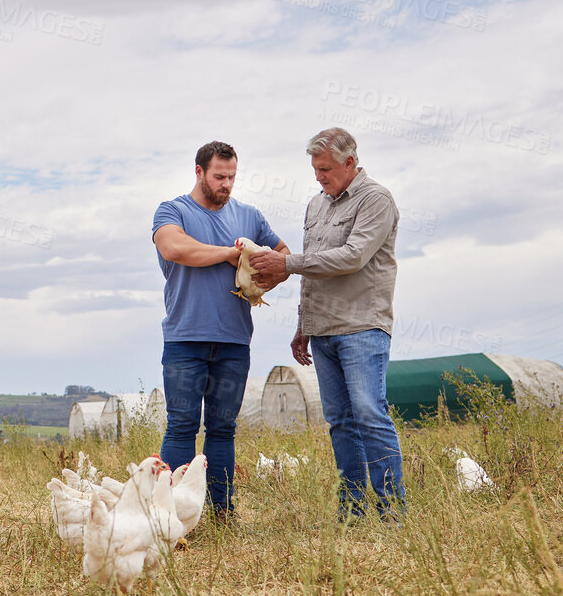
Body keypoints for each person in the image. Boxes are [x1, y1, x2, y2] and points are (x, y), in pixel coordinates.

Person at [245, 127, 404, 519]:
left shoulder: (376, 199)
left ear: (350, 163)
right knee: (339, 421)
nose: (319, 176)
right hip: (324, 330)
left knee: (369, 413)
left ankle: (391, 511)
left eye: (326, 169)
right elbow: (316, 268)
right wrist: (304, 324)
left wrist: (287, 263)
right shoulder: (316, 206)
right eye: (315, 170)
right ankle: (352, 509)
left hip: (362, 327)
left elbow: (352, 256)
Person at [151, 141, 289, 523]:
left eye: (231, 177)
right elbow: (175, 248)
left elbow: (283, 256)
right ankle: (172, 516)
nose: (226, 184)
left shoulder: (249, 215)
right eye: (219, 176)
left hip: (233, 342)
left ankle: (222, 512)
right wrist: (229, 254)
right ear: (199, 172)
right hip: (184, 340)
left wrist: (260, 281)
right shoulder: (173, 210)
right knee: (181, 426)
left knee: (223, 429)